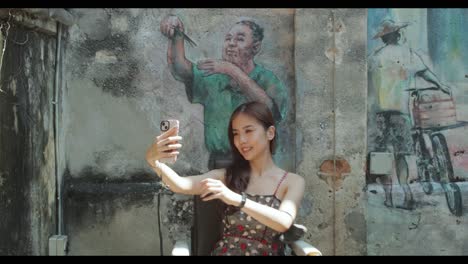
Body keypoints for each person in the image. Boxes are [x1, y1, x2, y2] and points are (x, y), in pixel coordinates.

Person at [145, 101, 305, 256]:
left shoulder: (292, 182)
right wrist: (153, 161)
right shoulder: (226, 176)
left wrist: (236, 199)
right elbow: (180, 185)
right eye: (236, 134)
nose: (241, 140)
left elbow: (284, 222)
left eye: (248, 131)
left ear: (270, 132)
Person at [160, 15, 288, 170]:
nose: (231, 44)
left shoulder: (267, 79)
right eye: (228, 39)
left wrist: (232, 70)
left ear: (256, 47)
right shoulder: (213, 76)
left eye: (240, 39)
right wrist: (177, 37)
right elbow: (181, 70)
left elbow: (272, 112)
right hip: (219, 164)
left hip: (257, 165)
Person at [368, 19, 451, 209]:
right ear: (397, 35)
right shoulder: (407, 54)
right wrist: (441, 85)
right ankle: (407, 194)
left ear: (383, 39)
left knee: (381, 156)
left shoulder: (374, 57)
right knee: (401, 155)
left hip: (379, 112)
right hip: (401, 112)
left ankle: (388, 197)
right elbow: (424, 72)